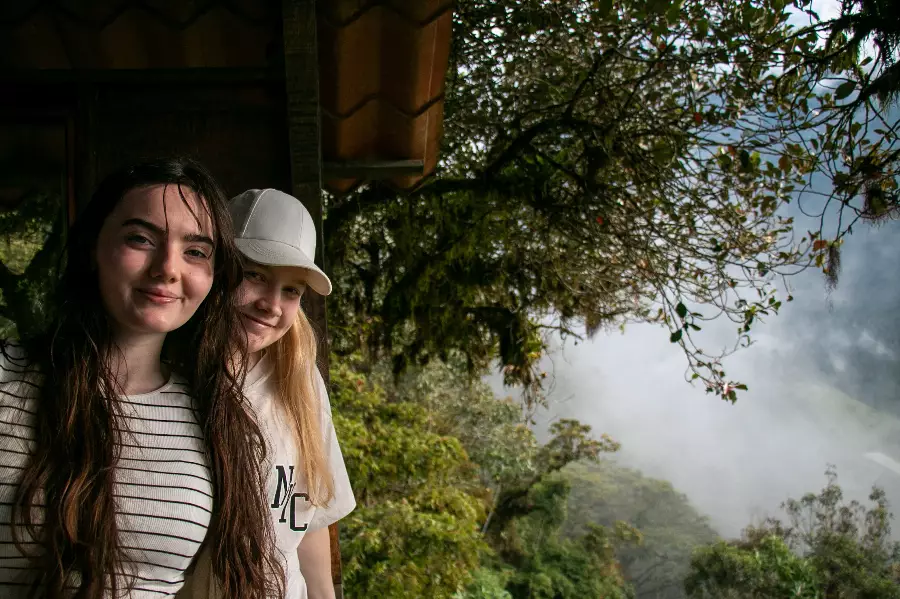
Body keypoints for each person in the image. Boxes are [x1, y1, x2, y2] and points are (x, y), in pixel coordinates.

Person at [0, 159, 281, 598]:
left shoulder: (220, 419)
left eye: (196, 251)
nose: (168, 268)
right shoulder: (7, 377)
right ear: (93, 248)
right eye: (140, 239)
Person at [178, 188, 355, 599]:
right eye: (255, 275)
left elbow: (308, 519)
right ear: (217, 267)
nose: (271, 305)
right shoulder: (169, 374)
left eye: (292, 290)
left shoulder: (298, 380)